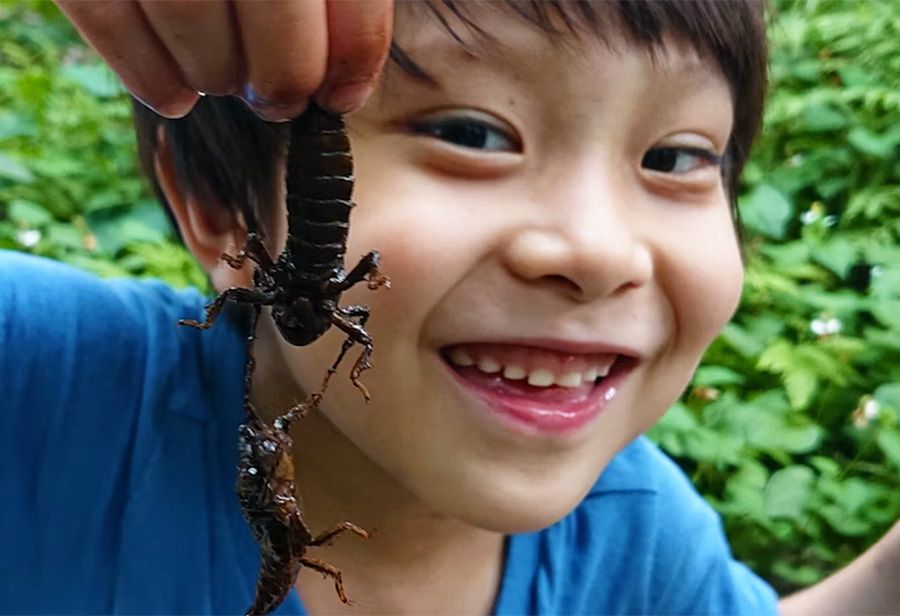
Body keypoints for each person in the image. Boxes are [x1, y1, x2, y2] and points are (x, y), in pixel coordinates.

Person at [2, 1, 898, 614]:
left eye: (676, 156)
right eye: (469, 133)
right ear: (222, 217)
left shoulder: (636, 528)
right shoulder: (45, 380)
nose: (594, 250)